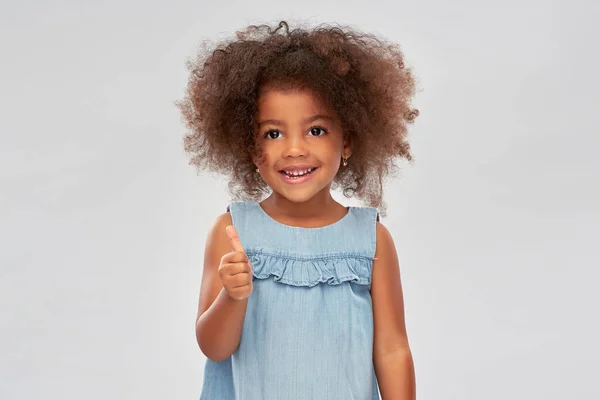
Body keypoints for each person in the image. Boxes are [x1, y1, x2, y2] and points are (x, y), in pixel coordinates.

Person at [177, 20, 419, 400]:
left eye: (316, 130)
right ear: (253, 149)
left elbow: (391, 349)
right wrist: (232, 296)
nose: (294, 149)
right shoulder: (233, 232)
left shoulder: (371, 240)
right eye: (273, 133)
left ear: (348, 140)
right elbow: (214, 347)